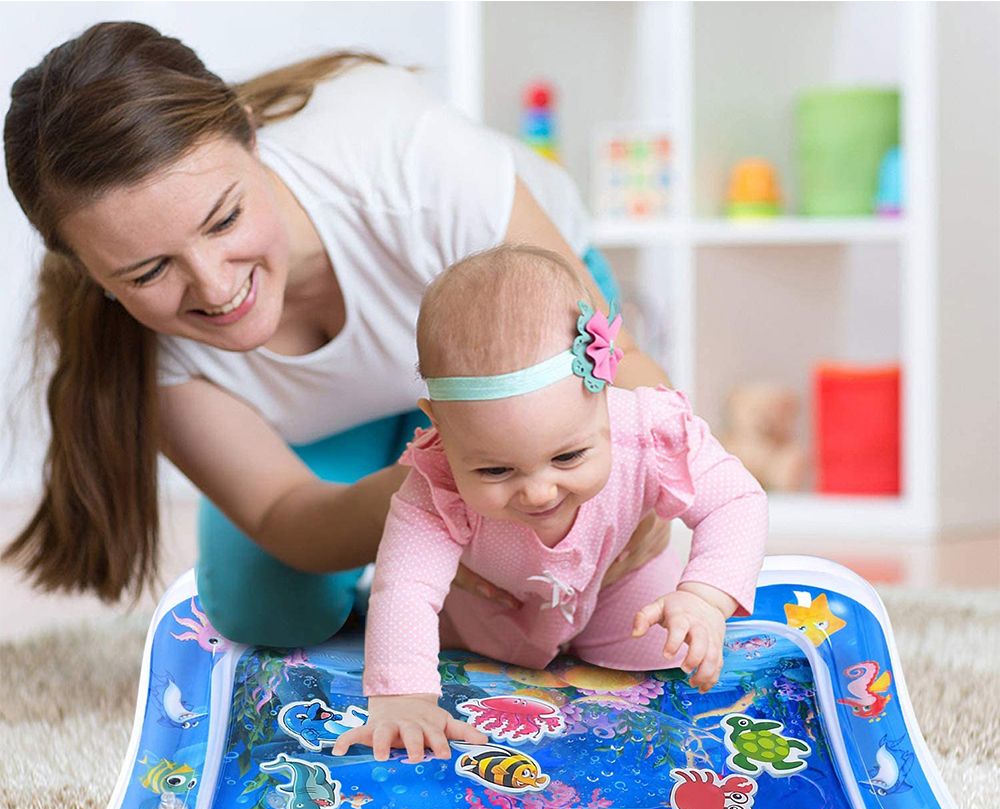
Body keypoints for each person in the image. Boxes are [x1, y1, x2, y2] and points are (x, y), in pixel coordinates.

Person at [3, 21, 673, 647]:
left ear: (252, 137)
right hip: (351, 419)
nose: (213, 286)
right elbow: (284, 514)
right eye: (148, 270)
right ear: (90, 272)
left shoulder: (405, 156)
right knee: (265, 609)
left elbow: (629, 369)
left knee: (584, 577)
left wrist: (644, 489)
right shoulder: (134, 348)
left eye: (224, 219)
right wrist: (426, 502)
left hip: (519, 327)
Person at [332, 245, 769, 764]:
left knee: (668, 668)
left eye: (568, 456)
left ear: (605, 393)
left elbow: (736, 501)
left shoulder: (649, 432)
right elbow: (406, 586)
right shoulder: (438, 482)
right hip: (489, 609)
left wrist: (703, 596)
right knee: (456, 664)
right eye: (495, 470)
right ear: (440, 427)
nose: (539, 492)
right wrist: (404, 695)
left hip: (619, 585)